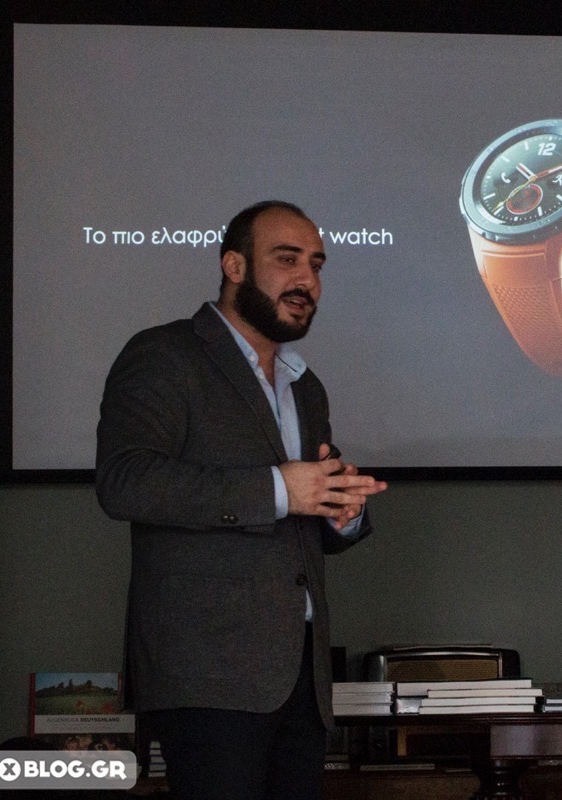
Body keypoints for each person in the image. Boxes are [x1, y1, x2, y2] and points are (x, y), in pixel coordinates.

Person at [95, 200, 388, 800]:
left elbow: (301, 513)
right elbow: (125, 481)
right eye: (287, 260)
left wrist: (341, 511)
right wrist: (280, 488)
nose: (307, 280)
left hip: (301, 678)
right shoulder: (164, 356)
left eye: (316, 265)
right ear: (234, 266)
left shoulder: (305, 386)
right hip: (207, 675)